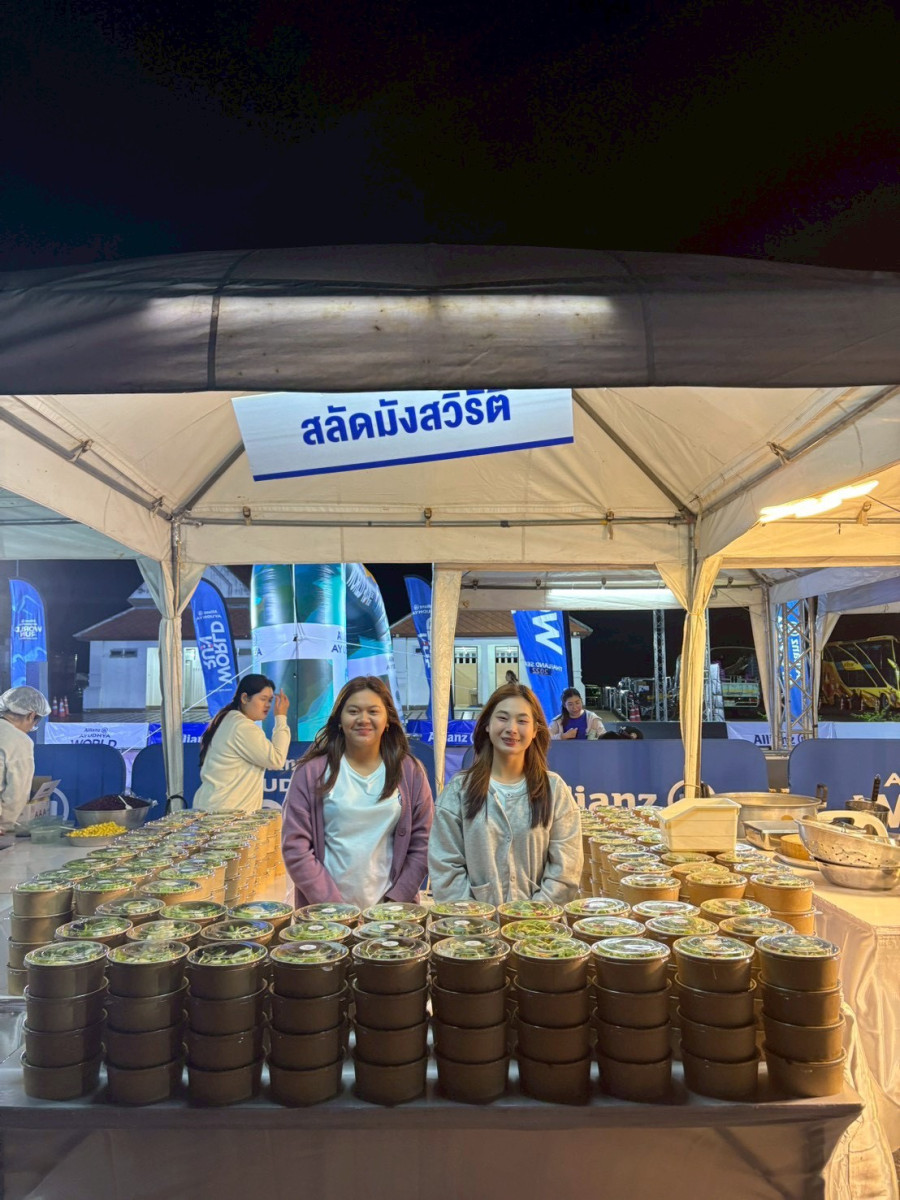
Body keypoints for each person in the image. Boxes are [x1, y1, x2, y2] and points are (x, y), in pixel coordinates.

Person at [281, 676, 434, 908]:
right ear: (339, 720)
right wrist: (334, 907)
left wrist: (395, 902)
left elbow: (424, 843)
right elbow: (296, 847)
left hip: (391, 914)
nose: (363, 719)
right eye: (353, 711)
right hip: (327, 914)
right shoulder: (311, 772)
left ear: (387, 720)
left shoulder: (409, 771)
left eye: (373, 711)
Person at [428, 682, 583, 905]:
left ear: (535, 730)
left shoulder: (554, 789)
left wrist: (531, 917)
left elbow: (566, 869)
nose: (512, 728)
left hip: (541, 925)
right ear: (487, 725)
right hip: (473, 925)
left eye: (522, 721)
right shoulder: (459, 790)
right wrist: (477, 919)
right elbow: (445, 866)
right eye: (502, 718)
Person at [193, 674, 290, 813]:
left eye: (270, 700)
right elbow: (276, 759)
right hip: (226, 814)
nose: (268, 705)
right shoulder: (242, 726)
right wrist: (281, 717)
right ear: (244, 698)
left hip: (218, 810)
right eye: (263, 699)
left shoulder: (229, 719)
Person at [0, 686, 51, 832]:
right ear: (31, 715)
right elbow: (17, 792)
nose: (30, 729)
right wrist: (4, 826)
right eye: (34, 724)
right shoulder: (19, 740)